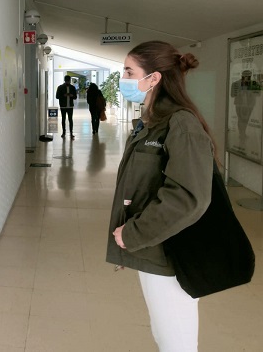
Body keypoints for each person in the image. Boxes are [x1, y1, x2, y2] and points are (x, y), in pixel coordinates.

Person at [106, 41, 217, 352]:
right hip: (151, 248)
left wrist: (132, 233)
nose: (123, 78)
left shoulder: (180, 124)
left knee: (176, 342)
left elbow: (188, 197)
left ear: (153, 78)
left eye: (129, 71)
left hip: (171, 253)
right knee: (164, 334)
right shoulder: (152, 121)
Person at [230, 69, 260, 141]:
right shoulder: (236, 84)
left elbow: (258, 94)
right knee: (241, 119)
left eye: (248, 76)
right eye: (245, 76)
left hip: (250, 105)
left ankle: (243, 132)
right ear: (242, 76)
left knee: (246, 119)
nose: (246, 78)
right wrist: (240, 93)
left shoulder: (254, 83)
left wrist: (251, 92)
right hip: (239, 104)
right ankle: (242, 133)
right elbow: (232, 94)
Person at [56, 75, 78, 139]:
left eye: (68, 81)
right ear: (65, 80)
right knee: (63, 119)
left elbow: (75, 97)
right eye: (67, 81)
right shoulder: (60, 87)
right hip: (63, 106)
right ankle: (63, 132)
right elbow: (57, 96)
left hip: (70, 106)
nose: (67, 82)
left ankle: (71, 133)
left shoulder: (72, 87)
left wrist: (72, 95)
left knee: (70, 119)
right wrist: (64, 95)